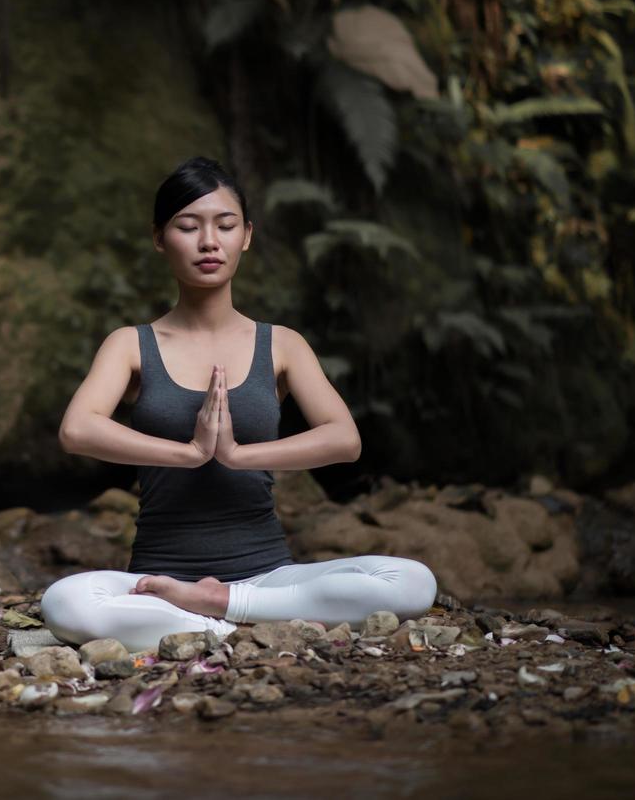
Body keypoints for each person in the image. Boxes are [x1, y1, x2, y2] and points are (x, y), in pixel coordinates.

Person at [41, 157, 437, 653]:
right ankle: (241, 623)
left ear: (245, 236)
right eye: (188, 226)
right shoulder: (130, 345)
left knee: (413, 581)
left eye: (225, 226)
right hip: (158, 582)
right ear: (160, 238)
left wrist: (237, 455)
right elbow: (77, 429)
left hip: (266, 577)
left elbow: (344, 439)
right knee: (65, 602)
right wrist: (189, 452)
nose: (209, 241)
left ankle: (224, 608)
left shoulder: (282, 345)